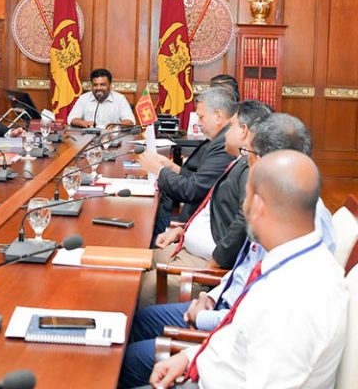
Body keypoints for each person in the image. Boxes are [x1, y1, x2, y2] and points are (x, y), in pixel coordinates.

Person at [119, 113, 337, 388]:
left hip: (212, 373)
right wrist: (190, 355)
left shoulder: (296, 293)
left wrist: (199, 349)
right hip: (212, 351)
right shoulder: (289, 243)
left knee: (125, 363)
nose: (242, 206)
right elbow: (241, 318)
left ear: (259, 204)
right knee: (132, 338)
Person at [136, 101, 273, 308]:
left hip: (203, 264)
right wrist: (183, 229)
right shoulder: (239, 161)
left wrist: (217, 261)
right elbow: (214, 210)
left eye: (232, 126)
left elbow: (243, 221)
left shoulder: (250, 168)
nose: (227, 131)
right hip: (185, 248)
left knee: (137, 289)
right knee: (131, 263)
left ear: (243, 132)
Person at [139, 86, 236, 247]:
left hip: (200, 227)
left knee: (146, 226)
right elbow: (202, 180)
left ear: (218, 116)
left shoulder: (225, 144)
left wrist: (158, 170)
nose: (198, 123)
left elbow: (193, 190)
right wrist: (172, 167)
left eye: (201, 117)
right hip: (193, 222)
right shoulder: (220, 139)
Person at [67, 68, 135, 129]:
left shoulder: (120, 99)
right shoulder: (84, 98)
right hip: (88, 138)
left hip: (113, 138)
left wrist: (115, 126)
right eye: (95, 85)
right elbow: (72, 119)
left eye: (102, 85)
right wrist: (84, 123)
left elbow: (130, 121)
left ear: (110, 86)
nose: (98, 88)